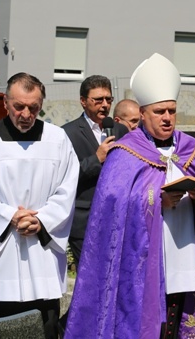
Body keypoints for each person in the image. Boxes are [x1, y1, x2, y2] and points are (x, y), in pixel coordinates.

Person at [65, 53, 195, 338]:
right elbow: (113, 205)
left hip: (185, 251)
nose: (167, 118)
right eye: (159, 112)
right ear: (144, 113)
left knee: (179, 316)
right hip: (145, 256)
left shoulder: (190, 149)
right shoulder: (125, 152)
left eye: (172, 111)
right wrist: (155, 200)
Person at [0, 73, 78, 339]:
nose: (26, 114)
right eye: (19, 106)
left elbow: (67, 189)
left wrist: (42, 220)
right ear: (5, 102)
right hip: (0, 256)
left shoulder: (57, 140)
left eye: (33, 107)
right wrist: (9, 215)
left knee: (42, 326)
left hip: (41, 250)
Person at [61, 75, 128, 264]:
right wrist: (96, 159)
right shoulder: (67, 133)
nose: (104, 105)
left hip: (115, 217)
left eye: (108, 99)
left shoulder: (119, 130)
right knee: (89, 276)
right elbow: (64, 176)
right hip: (84, 221)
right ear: (83, 101)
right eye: (98, 100)